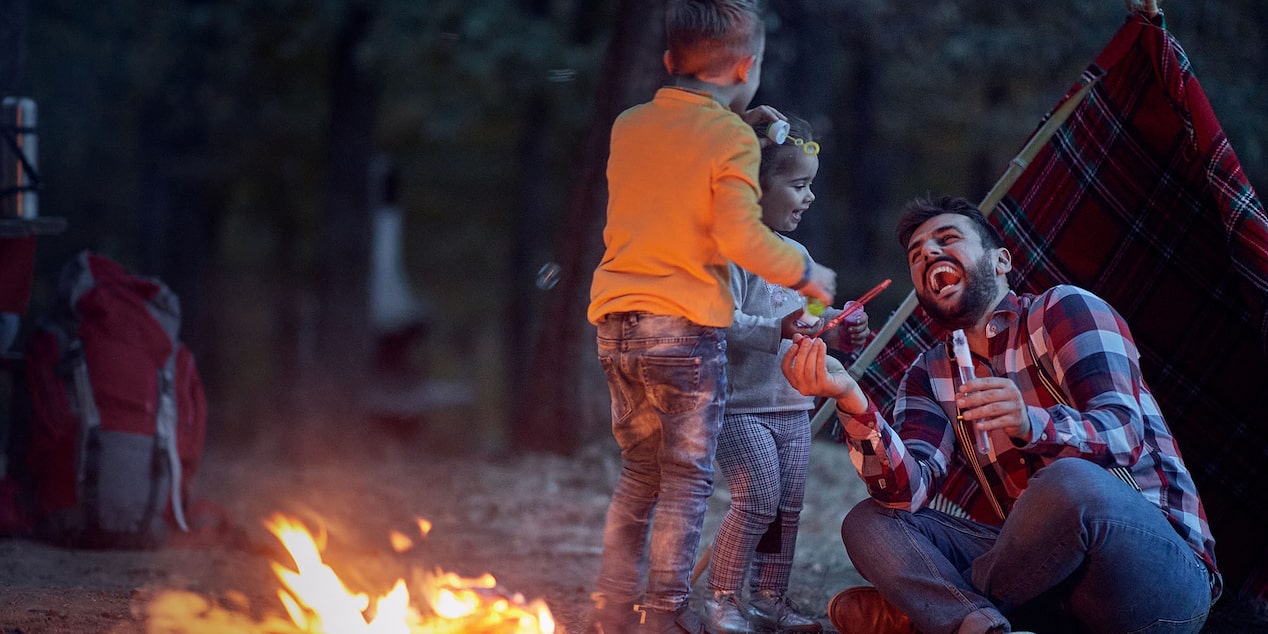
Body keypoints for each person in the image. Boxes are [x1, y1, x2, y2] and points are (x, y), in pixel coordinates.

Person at [779, 196, 1220, 634]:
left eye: (947, 239)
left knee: (1070, 481)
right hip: (1044, 584)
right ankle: (981, 625)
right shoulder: (929, 374)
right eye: (916, 255)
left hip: (1157, 574)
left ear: (1001, 261)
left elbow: (1125, 432)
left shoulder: (1064, 309)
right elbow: (904, 495)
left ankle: (936, 615)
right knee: (870, 522)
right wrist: (851, 398)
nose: (929, 253)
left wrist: (1032, 423)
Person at [586, 1, 837, 631]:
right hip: (684, 327)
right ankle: (664, 614)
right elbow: (741, 237)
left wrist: (734, 121)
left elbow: (676, 160)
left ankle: (613, 607)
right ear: (748, 67)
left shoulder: (630, 124)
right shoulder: (727, 139)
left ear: (670, 62)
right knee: (688, 482)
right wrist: (806, 275)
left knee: (639, 475)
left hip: (617, 324)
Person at [703, 114, 868, 634]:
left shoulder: (796, 256)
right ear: (755, 185)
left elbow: (806, 323)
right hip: (740, 406)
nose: (810, 197)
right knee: (758, 497)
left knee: (787, 507)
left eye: (811, 185)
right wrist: (780, 329)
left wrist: (838, 331)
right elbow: (721, 319)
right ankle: (723, 600)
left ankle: (770, 599)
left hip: (792, 404)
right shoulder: (728, 251)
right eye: (799, 185)